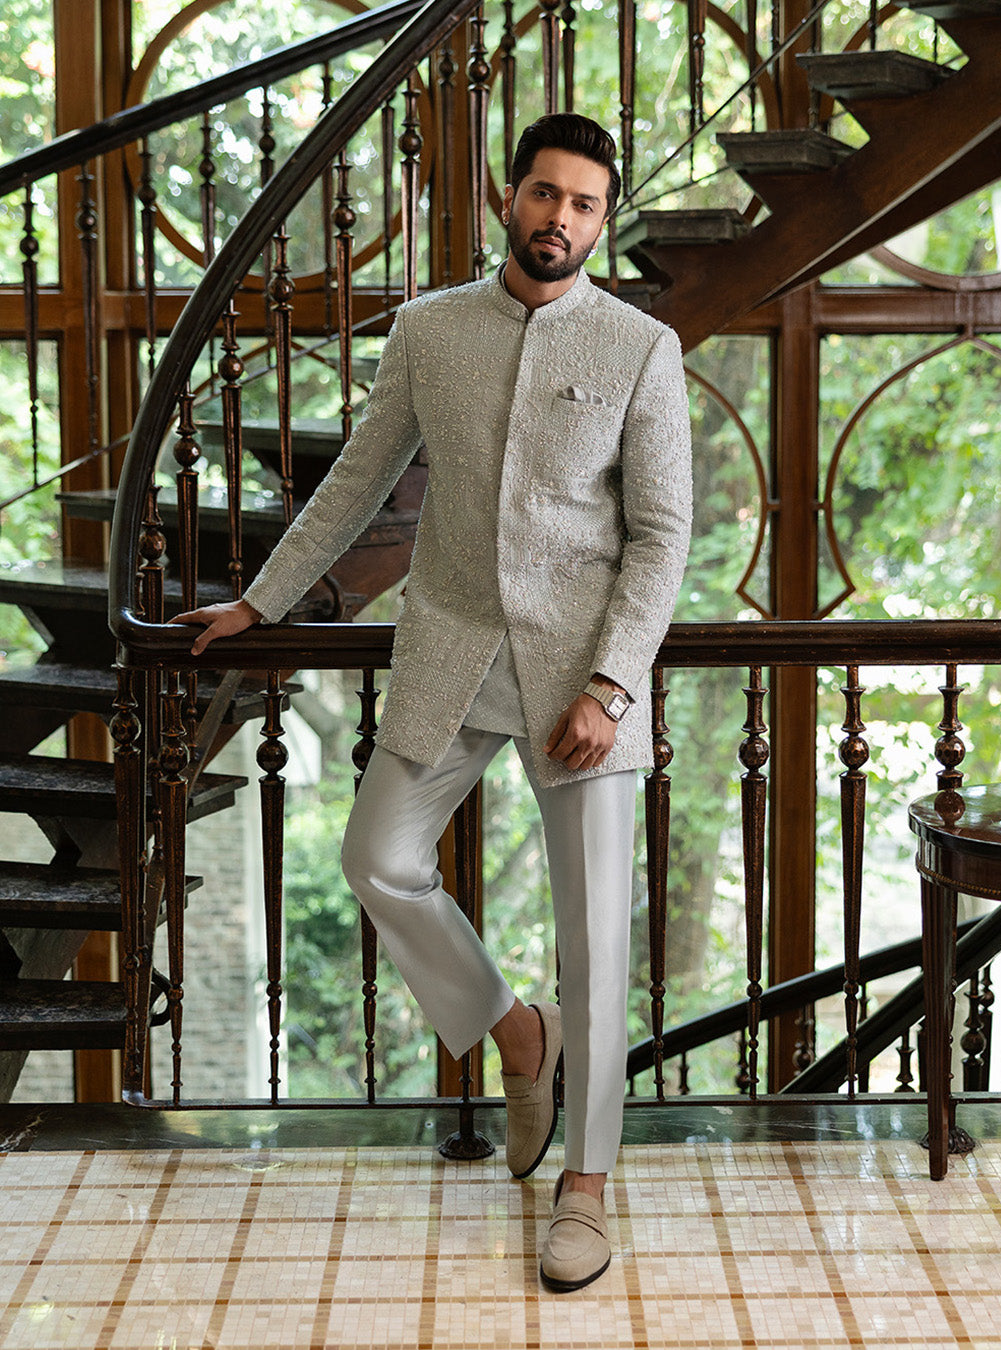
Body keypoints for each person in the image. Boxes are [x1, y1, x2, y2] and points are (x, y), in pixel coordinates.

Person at [174, 112, 692, 1292]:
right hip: (450, 652)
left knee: (595, 945)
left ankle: (587, 1187)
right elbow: (355, 483)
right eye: (546, 194)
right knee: (377, 860)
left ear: (603, 222)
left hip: (583, 683)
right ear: (511, 198)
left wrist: (612, 684)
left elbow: (662, 537)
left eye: (586, 204)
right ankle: (516, 1031)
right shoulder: (429, 328)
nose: (561, 218)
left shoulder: (641, 346)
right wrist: (260, 600)